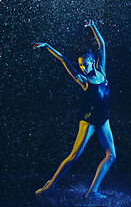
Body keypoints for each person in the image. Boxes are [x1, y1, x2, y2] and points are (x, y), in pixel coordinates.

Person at [32, 20, 116, 199]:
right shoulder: (83, 80)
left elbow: (101, 44)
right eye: (80, 65)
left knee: (111, 156)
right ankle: (49, 186)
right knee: (74, 156)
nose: (82, 68)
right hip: (89, 121)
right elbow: (64, 60)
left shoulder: (101, 70)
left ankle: (92, 192)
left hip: (103, 119)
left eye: (85, 64)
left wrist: (93, 26)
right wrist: (47, 46)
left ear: (93, 62)